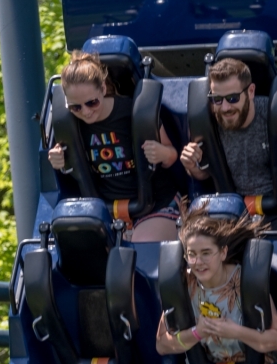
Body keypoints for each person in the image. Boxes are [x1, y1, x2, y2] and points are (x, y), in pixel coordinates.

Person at [156, 207, 277, 364]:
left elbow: (276, 340)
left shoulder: (247, 281)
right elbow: (162, 345)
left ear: (223, 252)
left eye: (206, 253)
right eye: (192, 255)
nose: (198, 262)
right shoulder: (183, 286)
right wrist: (197, 333)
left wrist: (236, 332)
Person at [48, 50, 182, 241]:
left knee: (140, 253)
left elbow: (171, 156)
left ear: (102, 89)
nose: (85, 112)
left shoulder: (133, 112)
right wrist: (58, 159)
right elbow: (65, 163)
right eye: (76, 107)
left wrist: (161, 153)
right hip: (107, 213)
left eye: (91, 103)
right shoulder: (70, 125)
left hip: (156, 204)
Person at [180, 57, 277, 233]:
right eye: (217, 99)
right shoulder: (207, 124)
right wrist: (191, 166)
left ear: (250, 91)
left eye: (232, 98)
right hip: (233, 210)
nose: (225, 107)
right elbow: (206, 174)